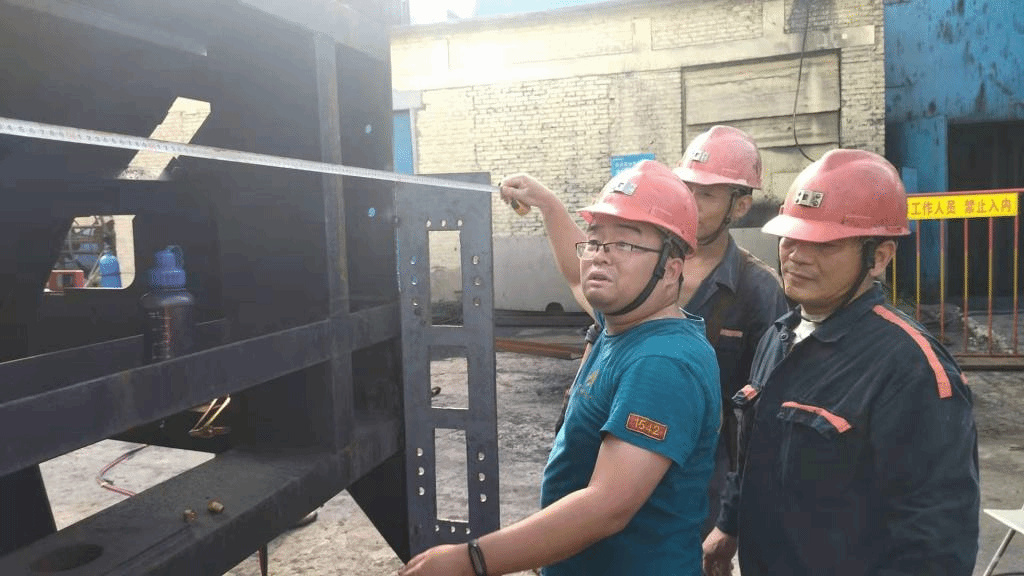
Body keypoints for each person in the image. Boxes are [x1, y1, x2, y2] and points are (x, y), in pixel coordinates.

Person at [400, 160, 720, 576]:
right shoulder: (624, 322)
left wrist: (472, 559)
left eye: (625, 244)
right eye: (595, 241)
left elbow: (607, 506)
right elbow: (575, 274)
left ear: (671, 269)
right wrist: (549, 205)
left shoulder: (662, 363)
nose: (600, 256)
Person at [702, 149, 980, 576]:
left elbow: (936, 542)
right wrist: (728, 524)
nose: (797, 256)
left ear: (879, 257)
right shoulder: (779, 336)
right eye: (790, 238)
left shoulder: (913, 371)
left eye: (824, 244)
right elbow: (752, 452)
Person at [501, 125, 788, 539]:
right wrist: (549, 205)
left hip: (686, 489)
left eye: (707, 195)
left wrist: (729, 522)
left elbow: (762, 418)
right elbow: (582, 279)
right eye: (686, 187)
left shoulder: (757, 290)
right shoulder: (632, 275)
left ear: (739, 206)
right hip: (597, 467)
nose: (690, 202)